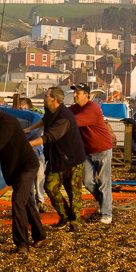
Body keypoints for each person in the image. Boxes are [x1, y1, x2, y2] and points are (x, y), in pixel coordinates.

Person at [0, 99, 47, 251]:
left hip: (27, 166)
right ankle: (40, 236)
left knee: (17, 201)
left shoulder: (6, 123)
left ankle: (22, 243)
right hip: (17, 169)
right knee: (27, 202)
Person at [25, 87, 87, 233]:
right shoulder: (49, 110)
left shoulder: (65, 117)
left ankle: (75, 224)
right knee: (50, 187)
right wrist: (29, 129)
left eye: (46, 96)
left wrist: (27, 144)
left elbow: (49, 137)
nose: (44, 98)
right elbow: (44, 120)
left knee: (73, 193)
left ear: (54, 99)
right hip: (56, 157)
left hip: (72, 160)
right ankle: (64, 215)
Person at [70, 83, 114, 224]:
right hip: (87, 151)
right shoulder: (75, 108)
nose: (75, 95)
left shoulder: (92, 109)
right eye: (74, 92)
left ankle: (107, 213)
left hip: (102, 149)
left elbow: (72, 121)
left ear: (86, 95)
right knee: (87, 181)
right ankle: (105, 203)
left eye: (78, 93)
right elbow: (63, 114)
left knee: (104, 182)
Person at [19, 98, 48, 212]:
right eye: (20, 106)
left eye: (23, 105)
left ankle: (41, 200)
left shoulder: (35, 117)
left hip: (38, 151)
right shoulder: (20, 120)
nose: (22, 108)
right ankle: (33, 205)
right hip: (28, 154)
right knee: (29, 179)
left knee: (40, 176)